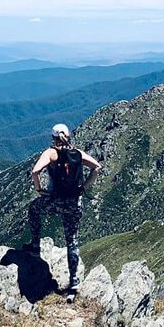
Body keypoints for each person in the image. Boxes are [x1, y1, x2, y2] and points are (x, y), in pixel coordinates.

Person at [23, 123, 102, 296]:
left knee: (34, 209)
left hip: (55, 200)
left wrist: (39, 189)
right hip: (74, 202)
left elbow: (35, 171)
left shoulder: (50, 153)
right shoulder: (77, 153)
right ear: (68, 136)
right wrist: (84, 187)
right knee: (72, 240)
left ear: (53, 138)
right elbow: (97, 167)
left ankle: (35, 246)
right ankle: (73, 282)